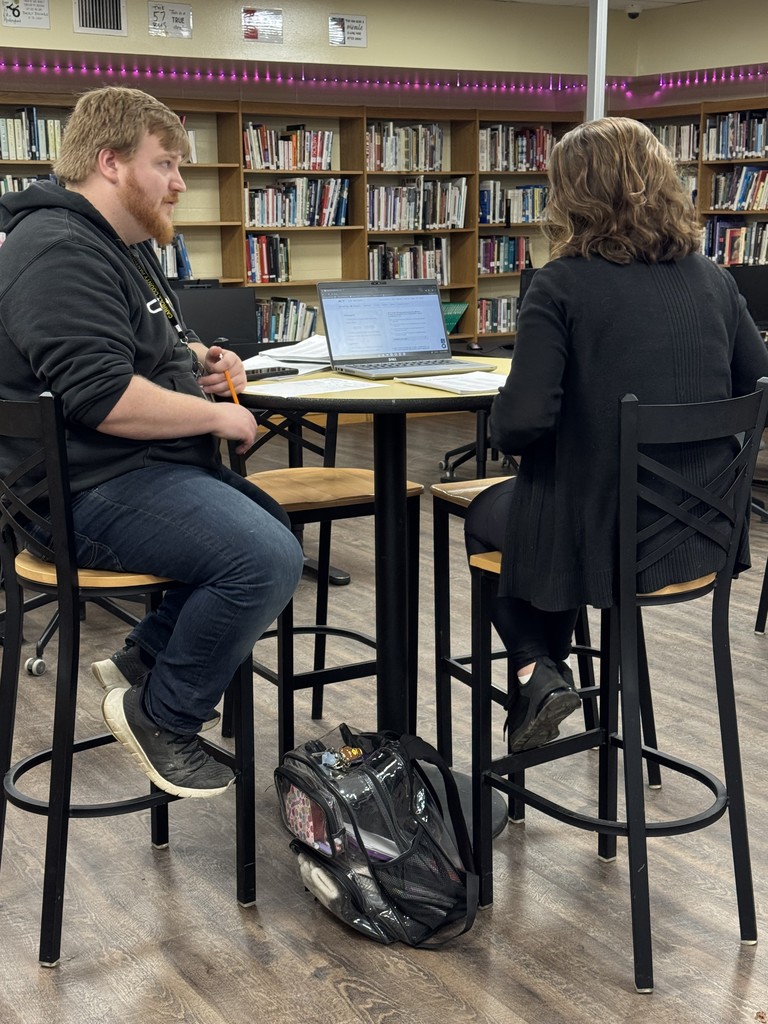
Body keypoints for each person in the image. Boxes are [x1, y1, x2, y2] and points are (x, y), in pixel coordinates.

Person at [0, 86, 305, 798]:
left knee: (270, 528)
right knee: (260, 558)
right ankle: (162, 717)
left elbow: (144, 346)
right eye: (165, 164)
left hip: (126, 470)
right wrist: (216, 417)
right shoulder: (58, 249)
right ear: (110, 162)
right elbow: (103, 397)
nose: (179, 183)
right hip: (81, 493)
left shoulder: (116, 245)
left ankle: (142, 661)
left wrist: (200, 361)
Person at [465, 116, 768, 753]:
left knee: (490, 513)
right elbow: (756, 385)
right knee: (557, 510)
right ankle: (541, 678)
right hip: (705, 535)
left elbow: (518, 427)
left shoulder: (561, 284)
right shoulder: (714, 278)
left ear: (571, 195)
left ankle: (535, 669)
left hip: (605, 544)